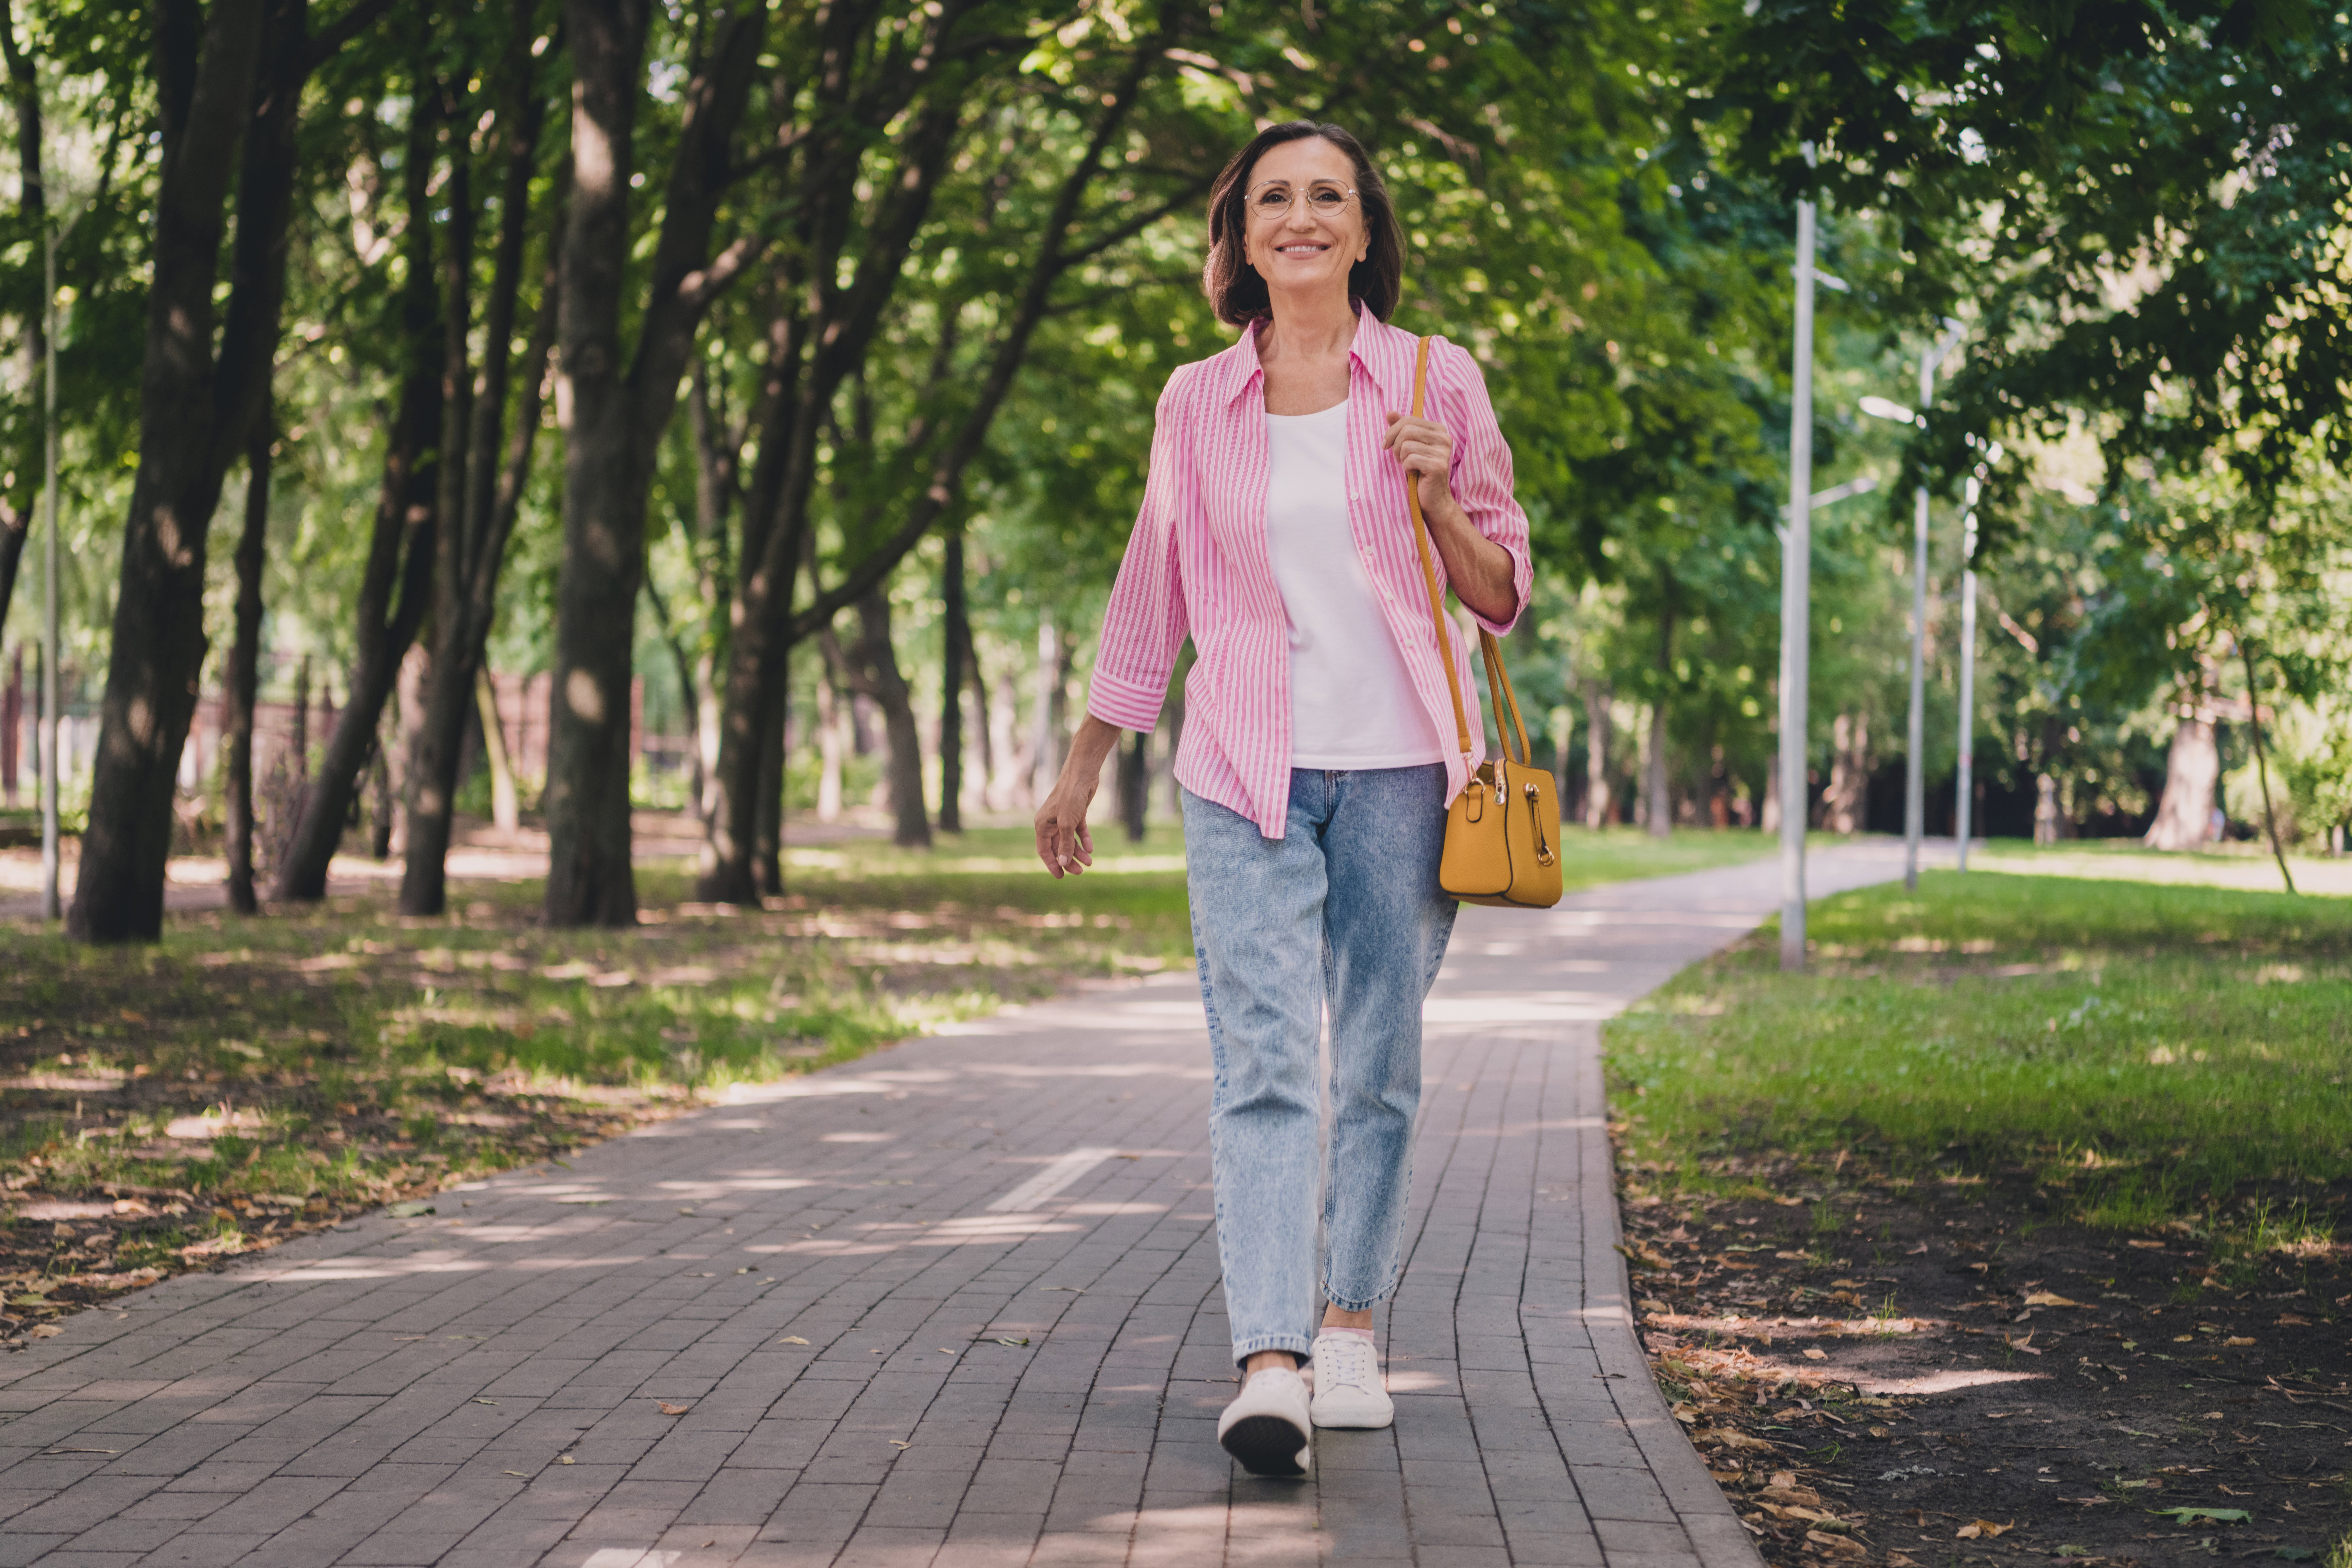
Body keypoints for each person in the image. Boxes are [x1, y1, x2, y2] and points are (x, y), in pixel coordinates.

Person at [1032, 121, 1531, 1477]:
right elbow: (1157, 581)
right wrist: (1088, 756)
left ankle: (1352, 1321)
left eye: (1329, 197)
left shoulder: (1437, 377)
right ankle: (1272, 1359)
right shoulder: (1196, 398)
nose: (1301, 217)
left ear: (1365, 230)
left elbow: (1500, 592)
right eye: (1273, 200)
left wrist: (1437, 503)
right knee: (1260, 1061)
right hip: (1244, 767)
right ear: (1242, 237)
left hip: (1408, 773)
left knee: (1374, 1059)